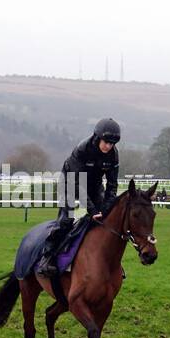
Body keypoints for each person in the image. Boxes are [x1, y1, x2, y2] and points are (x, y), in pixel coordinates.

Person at [36, 118, 121, 277]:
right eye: (106, 142)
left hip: (94, 185)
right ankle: (46, 257)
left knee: (104, 220)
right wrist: (92, 209)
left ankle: (108, 262)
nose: (108, 146)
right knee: (66, 220)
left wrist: (104, 209)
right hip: (70, 181)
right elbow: (76, 184)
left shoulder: (113, 155)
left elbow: (112, 186)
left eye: (112, 144)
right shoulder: (83, 149)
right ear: (97, 137)